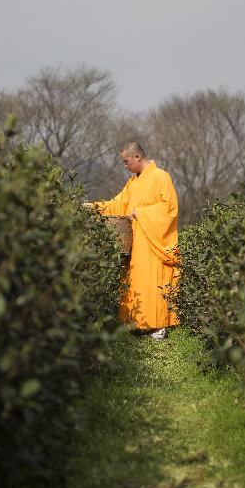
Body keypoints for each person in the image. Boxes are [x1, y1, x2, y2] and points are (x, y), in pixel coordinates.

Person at [86, 142, 179, 340]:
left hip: (153, 240)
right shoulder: (133, 183)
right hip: (136, 242)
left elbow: (169, 208)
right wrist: (93, 208)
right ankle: (139, 325)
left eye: (126, 161)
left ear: (137, 157)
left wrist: (143, 212)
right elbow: (117, 205)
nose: (125, 166)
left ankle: (159, 327)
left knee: (154, 282)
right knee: (136, 282)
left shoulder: (161, 176)